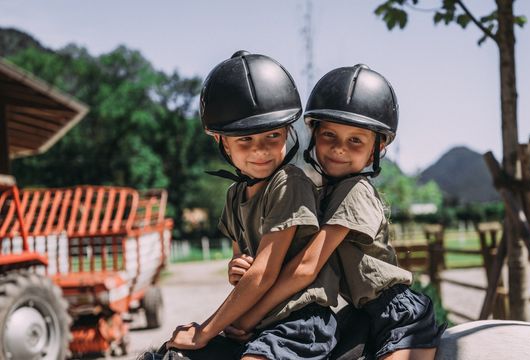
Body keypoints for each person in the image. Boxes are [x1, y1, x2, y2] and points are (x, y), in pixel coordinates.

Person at [232, 64, 445, 360]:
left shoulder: (355, 190)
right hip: (357, 315)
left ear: (378, 147)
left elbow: (307, 266)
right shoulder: (317, 195)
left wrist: (248, 316)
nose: (339, 148)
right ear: (314, 133)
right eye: (329, 135)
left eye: (355, 140)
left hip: (397, 316)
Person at [155, 51, 340, 360]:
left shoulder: (288, 182)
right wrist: (237, 269)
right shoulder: (234, 195)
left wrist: (205, 331)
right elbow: (244, 269)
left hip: (299, 322)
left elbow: (263, 274)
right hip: (260, 317)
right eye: (245, 141)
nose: (261, 151)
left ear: (287, 132)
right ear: (220, 140)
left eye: (272, 135)